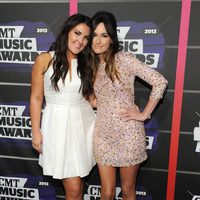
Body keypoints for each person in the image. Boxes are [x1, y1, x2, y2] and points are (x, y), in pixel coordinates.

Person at [91, 11, 168, 200]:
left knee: (127, 191)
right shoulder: (89, 64)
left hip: (128, 135)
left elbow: (159, 81)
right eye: (94, 35)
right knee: (106, 193)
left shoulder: (124, 59)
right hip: (103, 135)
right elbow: (93, 98)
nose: (98, 41)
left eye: (104, 35)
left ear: (112, 39)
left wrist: (144, 114)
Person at [30, 13, 96, 200]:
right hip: (58, 127)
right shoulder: (44, 59)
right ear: (67, 31)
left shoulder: (87, 64)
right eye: (77, 33)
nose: (80, 41)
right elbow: (36, 98)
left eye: (86, 38)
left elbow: (91, 99)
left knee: (78, 186)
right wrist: (36, 131)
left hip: (84, 126)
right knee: (74, 190)